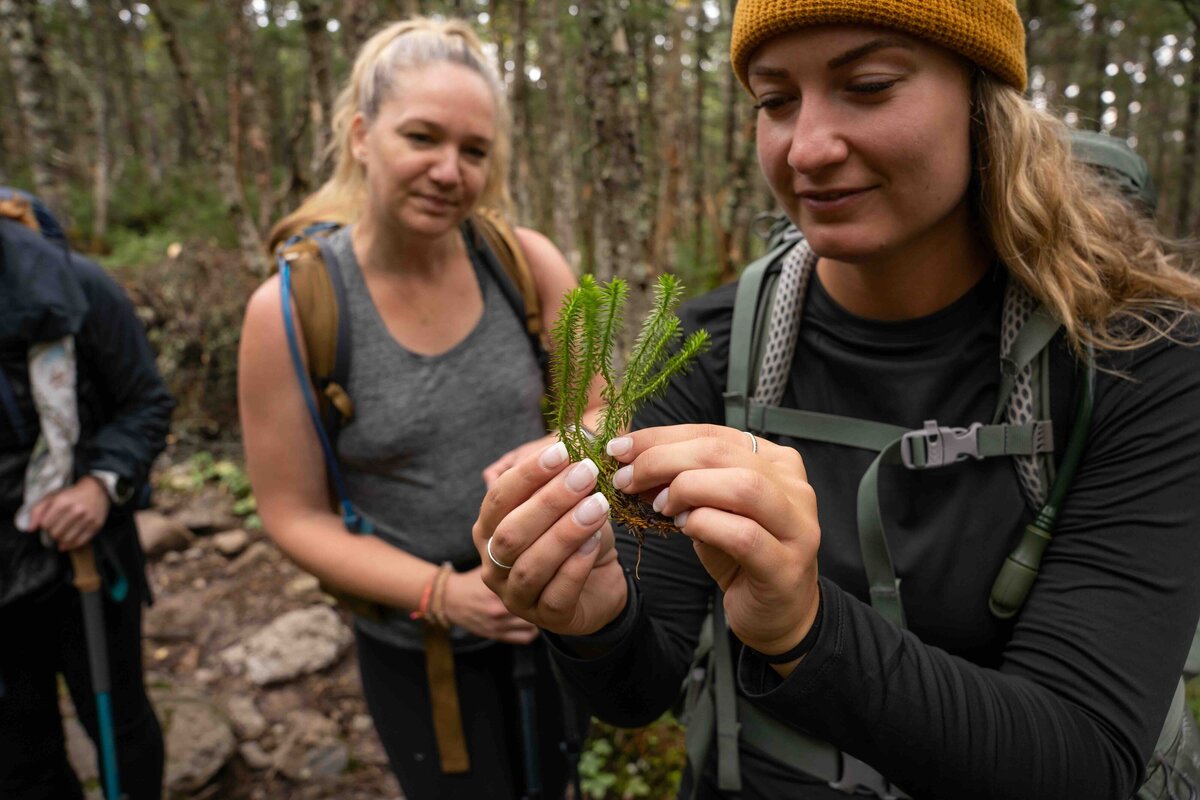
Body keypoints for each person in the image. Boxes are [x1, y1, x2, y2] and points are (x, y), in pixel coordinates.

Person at [472, 2, 1200, 798]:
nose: (808, 148)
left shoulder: (1139, 360)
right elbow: (637, 689)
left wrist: (805, 629)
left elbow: (1083, 761)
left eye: (869, 84)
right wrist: (590, 618)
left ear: (983, 102)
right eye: (775, 102)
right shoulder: (712, 348)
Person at [238, 18, 597, 800]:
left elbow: (602, 412)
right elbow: (293, 514)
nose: (449, 170)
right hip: (418, 649)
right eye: (422, 137)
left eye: (474, 151)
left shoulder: (525, 264)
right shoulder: (295, 311)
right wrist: (445, 595)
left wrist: (560, 456)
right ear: (363, 136)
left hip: (554, 612)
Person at [0, 192, 173, 799]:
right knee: (16, 752)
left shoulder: (74, 286)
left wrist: (100, 487)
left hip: (88, 562)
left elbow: (146, 402)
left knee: (119, 722)